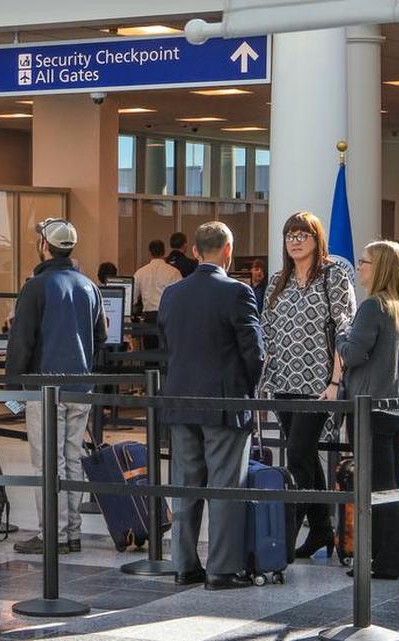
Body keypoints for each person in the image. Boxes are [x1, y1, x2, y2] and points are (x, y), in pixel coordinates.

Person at [159, 221, 265, 590]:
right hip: (224, 402)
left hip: (179, 399)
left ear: (194, 251)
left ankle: (184, 565)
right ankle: (222, 569)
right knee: (225, 486)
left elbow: (168, 345)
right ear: (228, 250)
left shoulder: (172, 294)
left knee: (185, 485)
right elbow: (255, 353)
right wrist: (248, 388)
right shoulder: (238, 292)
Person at [6, 219, 106, 555]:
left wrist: (13, 384)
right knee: (72, 458)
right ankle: (72, 532)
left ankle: (53, 534)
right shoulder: (89, 285)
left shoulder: (37, 286)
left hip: (46, 386)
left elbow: (22, 341)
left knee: (47, 462)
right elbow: (102, 337)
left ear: (44, 245)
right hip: (82, 385)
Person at [261, 211, 356, 558]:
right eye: (290, 235)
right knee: (304, 457)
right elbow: (267, 333)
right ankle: (321, 530)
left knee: (298, 453)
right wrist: (265, 380)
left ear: (317, 239)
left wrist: (335, 380)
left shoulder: (334, 275)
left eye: (303, 234)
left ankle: (285, 537)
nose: (295, 240)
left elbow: (345, 331)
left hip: (318, 384)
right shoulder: (276, 281)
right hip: (284, 381)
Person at [336, 241, 399, 579]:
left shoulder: (373, 307)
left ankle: (384, 563)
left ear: (380, 267)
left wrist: (341, 335)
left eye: (364, 262)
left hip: (372, 406)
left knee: (378, 488)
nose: (360, 267)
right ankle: (397, 557)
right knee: (394, 485)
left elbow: (353, 355)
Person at [133, 239, 181, 350]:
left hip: (149, 318)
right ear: (164, 252)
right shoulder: (173, 272)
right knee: (167, 353)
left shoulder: (140, 273)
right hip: (168, 317)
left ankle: (150, 367)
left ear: (149, 253)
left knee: (150, 354)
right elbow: (180, 297)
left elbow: (133, 299)